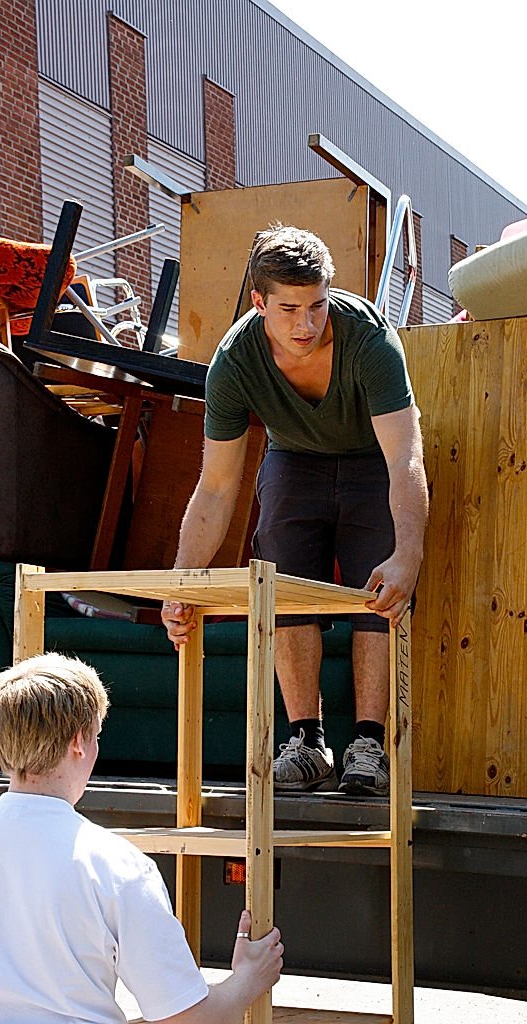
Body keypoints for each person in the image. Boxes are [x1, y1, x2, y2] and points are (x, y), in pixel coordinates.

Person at [161, 225, 428, 798]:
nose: (306, 325)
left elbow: (405, 458)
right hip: (294, 460)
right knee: (281, 583)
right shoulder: (234, 364)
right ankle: (308, 742)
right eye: (289, 309)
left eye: (316, 305)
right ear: (259, 303)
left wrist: (408, 553)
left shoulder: (369, 341)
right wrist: (183, 582)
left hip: (372, 461)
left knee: (377, 591)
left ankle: (368, 744)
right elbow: (215, 488)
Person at [0, 653, 283, 1024]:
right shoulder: (117, 865)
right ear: (78, 742)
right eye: (96, 736)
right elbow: (187, 1019)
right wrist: (248, 979)